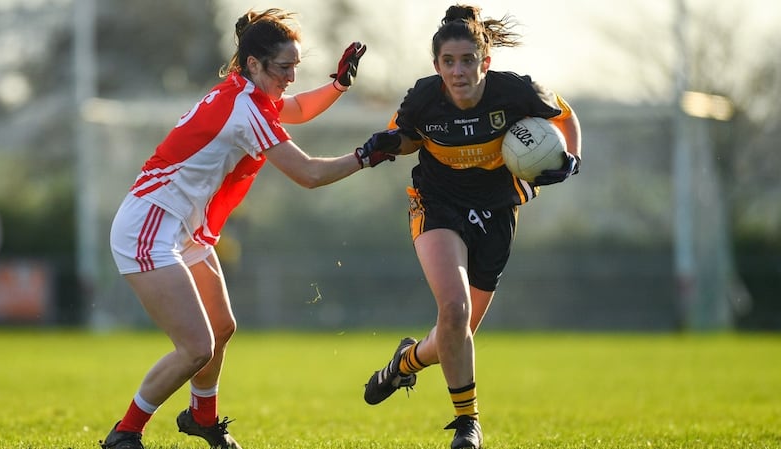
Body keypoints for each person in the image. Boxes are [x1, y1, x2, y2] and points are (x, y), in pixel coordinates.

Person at [100, 8, 392, 449]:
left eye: (296, 66)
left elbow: (292, 109)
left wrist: (338, 85)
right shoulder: (244, 108)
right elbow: (308, 174)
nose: (292, 76)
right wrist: (366, 155)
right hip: (149, 226)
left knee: (221, 327)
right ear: (253, 64)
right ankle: (125, 432)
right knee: (196, 346)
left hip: (180, 226)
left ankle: (203, 417)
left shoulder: (246, 93)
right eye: (284, 67)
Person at [358, 4, 582, 449]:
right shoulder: (424, 97)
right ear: (436, 65)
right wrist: (389, 144)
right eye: (448, 62)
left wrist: (572, 161)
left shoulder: (517, 91)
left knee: (453, 337)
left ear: (486, 61)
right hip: (436, 205)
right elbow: (405, 139)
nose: (458, 71)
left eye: (467, 61)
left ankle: (404, 365)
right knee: (454, 310)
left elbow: (565, 118)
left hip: (498, 212)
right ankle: (467, 425)